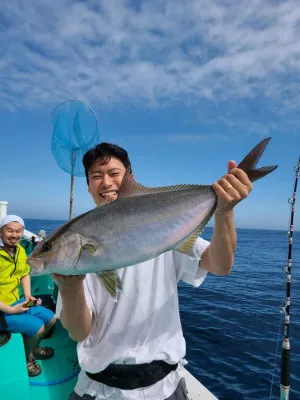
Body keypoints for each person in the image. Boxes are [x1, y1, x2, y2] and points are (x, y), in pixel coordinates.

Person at [53, 143, 252, 400]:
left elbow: (220, 265)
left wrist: (225, 210)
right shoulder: (75, 244)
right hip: (99, 389)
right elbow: (80, 332)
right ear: (89, 186)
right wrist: (70, 290)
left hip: (164, 387)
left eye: (114, 173)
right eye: (96, 176)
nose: (105, 182)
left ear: (130, 180)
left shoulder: (162, 228)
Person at [0, 215, 56, 377]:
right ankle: (26, 357)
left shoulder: (20, 250)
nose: (14, 235)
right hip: (4, 310)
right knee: (38, 327)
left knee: (51, 319)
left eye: (19, 231)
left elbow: (24, 274)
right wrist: (10, 310)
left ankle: (33, 347)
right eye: (9, 230)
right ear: (1, 232)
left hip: (16, 302)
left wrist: (27, 295)